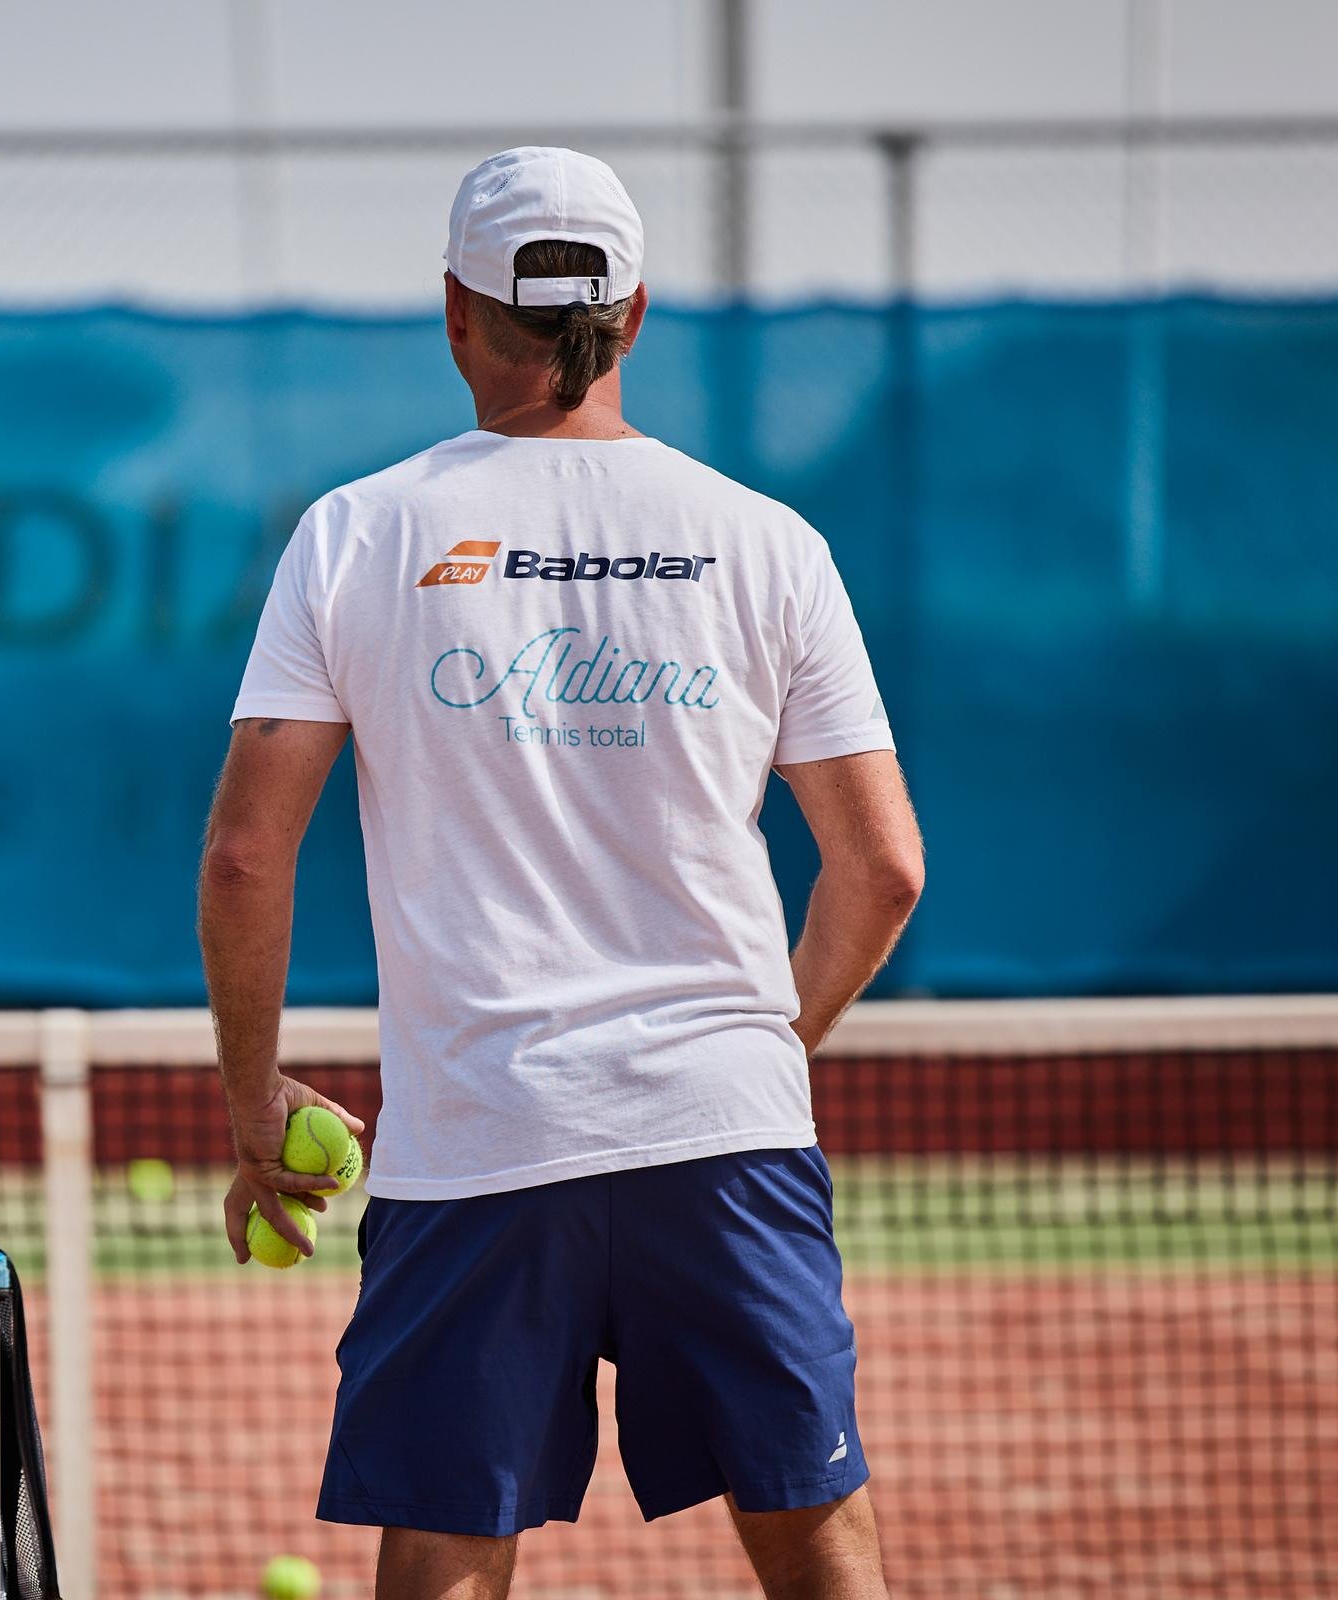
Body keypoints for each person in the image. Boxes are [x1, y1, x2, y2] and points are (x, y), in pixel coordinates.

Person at [198, 148, 924, 1600]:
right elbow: (884, 869)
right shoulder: (769, 542)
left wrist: (253, 1100)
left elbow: (243, 851)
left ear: (457, 314)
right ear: (637, 313)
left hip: (481, 1134)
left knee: (455, 1541)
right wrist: (758, 1050)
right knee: (809, 1529)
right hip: (725, 1131)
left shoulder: (356, 533)